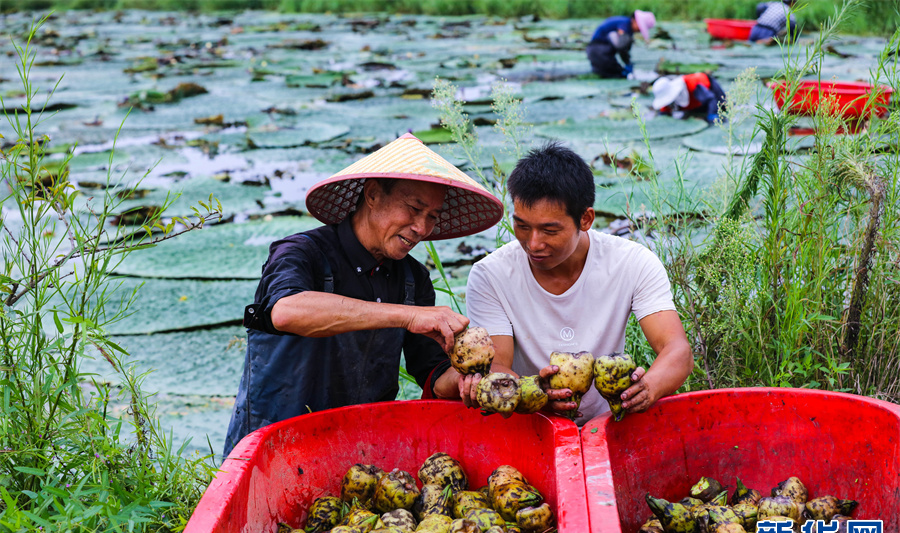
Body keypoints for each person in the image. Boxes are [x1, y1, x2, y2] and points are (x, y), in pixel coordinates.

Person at [222, 133, 503, 456]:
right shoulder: (301, 253)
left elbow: (433, 374)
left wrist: (467, 379)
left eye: (432, 217)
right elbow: (286, 312)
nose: (422, 228)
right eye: (414, 209)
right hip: (274, 448)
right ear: (372, 195)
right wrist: (408, 316)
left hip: (360, 451)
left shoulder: (413, 279)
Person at [460, 142, 694, 425]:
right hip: (533, 424)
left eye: (549, 230)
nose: (533, 244)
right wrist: (538, 392)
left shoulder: (632, 262)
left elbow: (677, 351)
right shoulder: (490, 275)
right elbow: (498, 366)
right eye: (522, 226)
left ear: (586, 219)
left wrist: (647, 388)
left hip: (609, 424)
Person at [586, 10, 656, 79]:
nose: (639, 31)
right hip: (598, 51)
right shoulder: (625, 24)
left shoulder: (626, 25)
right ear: (635, 20)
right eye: (640, 27)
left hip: (601, 51)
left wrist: (627, 62)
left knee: (617, 72)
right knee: (617, 73)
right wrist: (627, 62)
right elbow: (622, 47)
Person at [651, 72, 727, 124]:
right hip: (694, 103)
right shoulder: (667, 103)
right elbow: (663, 114)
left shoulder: (692, 87)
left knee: (723, 106)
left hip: (710, 89)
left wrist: (711, 116)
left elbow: (711, 99)